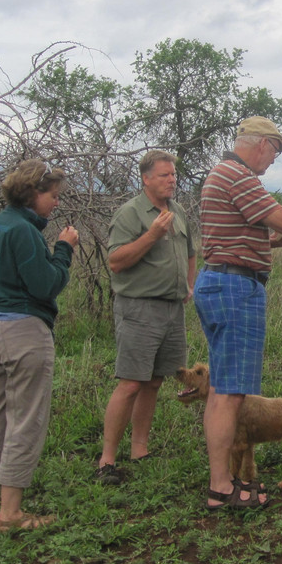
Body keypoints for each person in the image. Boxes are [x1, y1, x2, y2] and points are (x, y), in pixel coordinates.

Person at [193, 117, 282, 510]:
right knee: (231, 393)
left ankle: (221, 480)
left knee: (220, 389)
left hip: (218, 282)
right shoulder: (239, 176)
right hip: (235, 289)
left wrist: (269, 241)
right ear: (261, 144)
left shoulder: (221, 174)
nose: (273, 160)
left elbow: (238, 235)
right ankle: (222, 487)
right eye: (275, 151)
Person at [0, 159, 79, 531]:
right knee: (26, 419)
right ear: (33, 193)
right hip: (21, 330)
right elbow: (46, 285)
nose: (56, 203)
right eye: (53, 196)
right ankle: (10, 513)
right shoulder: (24, 232)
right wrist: (63, 249)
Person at [96, 151, 196, 484]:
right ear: (146, 179)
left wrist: (188, 285)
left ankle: (140, 448)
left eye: (173, 175)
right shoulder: (131, 213)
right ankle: (107, 459)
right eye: (165, 175)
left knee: (154, 381)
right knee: (131, 382)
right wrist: (151, 235)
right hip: (139, 308)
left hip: (172, 308)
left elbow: (191, 253)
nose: (172, 180)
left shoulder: (178, 211)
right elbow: (116, 261)